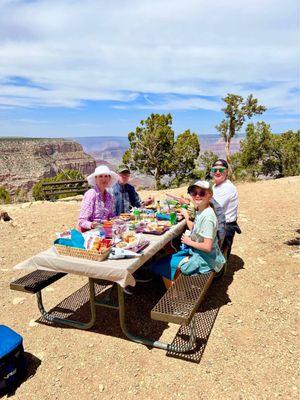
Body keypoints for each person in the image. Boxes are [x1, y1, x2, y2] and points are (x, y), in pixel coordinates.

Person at [151, 180, 225, 288]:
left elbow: (207, 247)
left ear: (210, 195)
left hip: (205, 259)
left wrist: (188, 241)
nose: (197, 196)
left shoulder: (208, 217)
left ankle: (174, 297)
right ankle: (177, 289)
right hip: (202, 254)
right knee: (169, 260)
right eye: (194, 193)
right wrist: (186, 216)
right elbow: (195, 228)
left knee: (164, 265)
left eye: (202, 193)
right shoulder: (202, 210)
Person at [210, 159, 240, 257]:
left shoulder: (227, 188)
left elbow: (213, 207)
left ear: (227, 171)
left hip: (226, 226)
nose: (217, 172)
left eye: (221, 170)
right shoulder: (216, 186)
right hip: (219, 222)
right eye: (215, 170)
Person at [77, 165, 118, 232]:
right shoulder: (91, 194)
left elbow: (109, 215)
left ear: (109, 178)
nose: (104, 179)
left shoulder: (109, 196)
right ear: (96, 178)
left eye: (106, 176)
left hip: (103, 231)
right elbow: (81, 221)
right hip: (89, 232)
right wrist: (92, 224)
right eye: (100, 176)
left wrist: (116, 218)